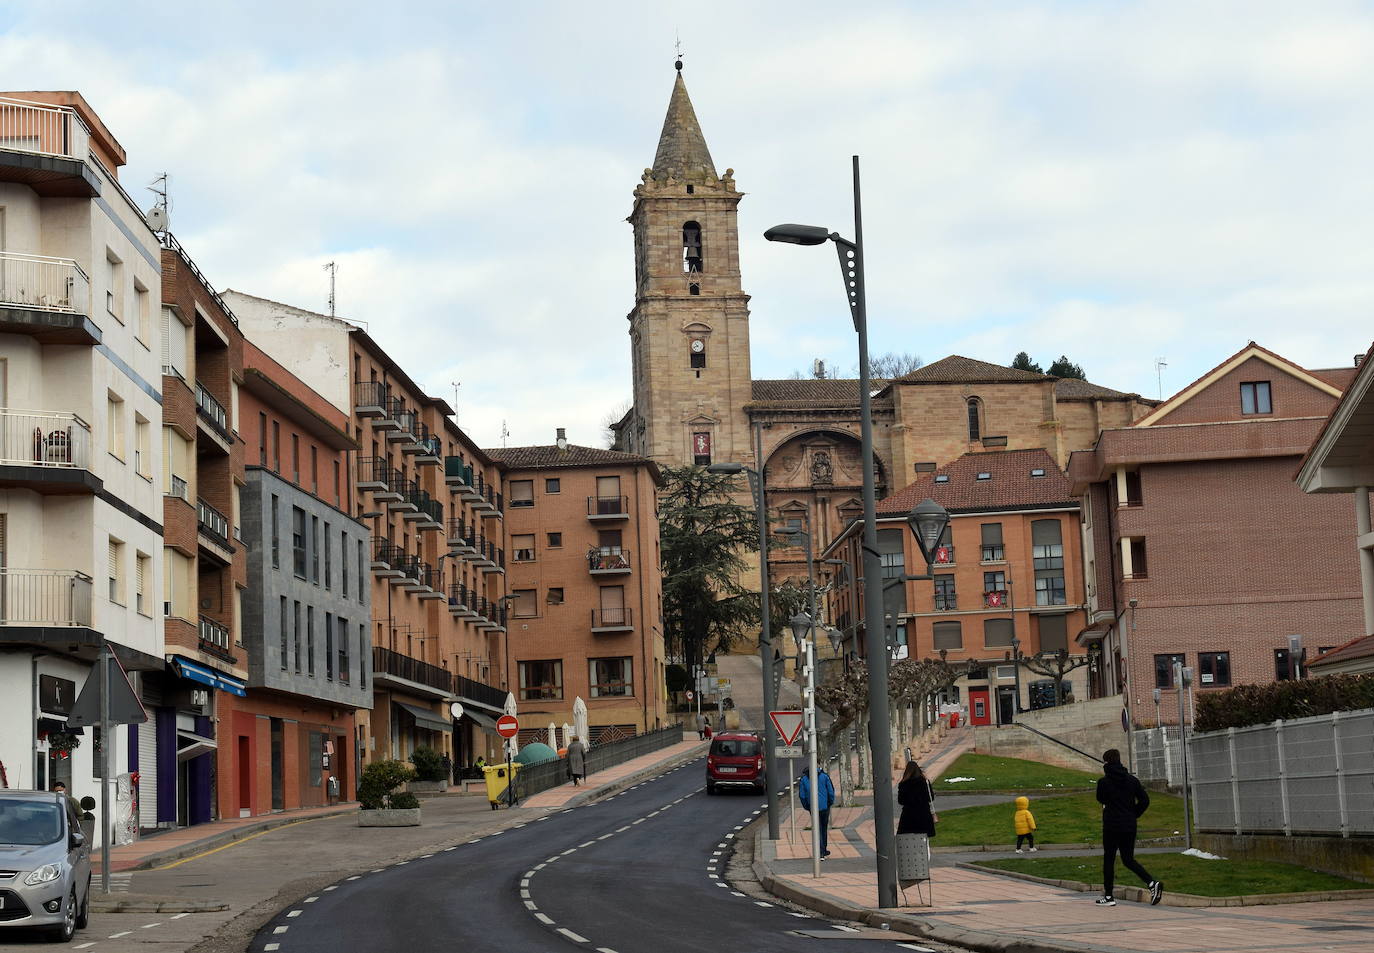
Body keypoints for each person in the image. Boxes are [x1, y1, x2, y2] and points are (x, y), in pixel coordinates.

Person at [1096, 748, 1162, 906]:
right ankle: (1152, 883)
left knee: (1109, 859)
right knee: (1128, 859)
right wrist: (1134, 814)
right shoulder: (1132, 780)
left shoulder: (1104, 782)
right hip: (1129, 826)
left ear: (1106, 762)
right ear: (1119, 760)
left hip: (1111, 826)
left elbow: (1100, 799)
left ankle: (1109, 896)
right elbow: (1145, 800)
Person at [797, 766, 836, 859]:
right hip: (824, 806)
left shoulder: (804, 780)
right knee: (823, 828)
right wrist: (829, 803)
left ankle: (820, 851)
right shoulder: (824, 777)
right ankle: (823, 850)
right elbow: (831, 792)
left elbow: (802, 796)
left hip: (812, 807)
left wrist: (807, 806)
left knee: (817, 829)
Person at [896, 761, 937, 837]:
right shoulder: (925, 782)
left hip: (909, 815)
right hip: (923, 814)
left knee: (908, 838)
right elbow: (930, 797)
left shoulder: (904, 784)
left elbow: (901, 801)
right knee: (924, 837)